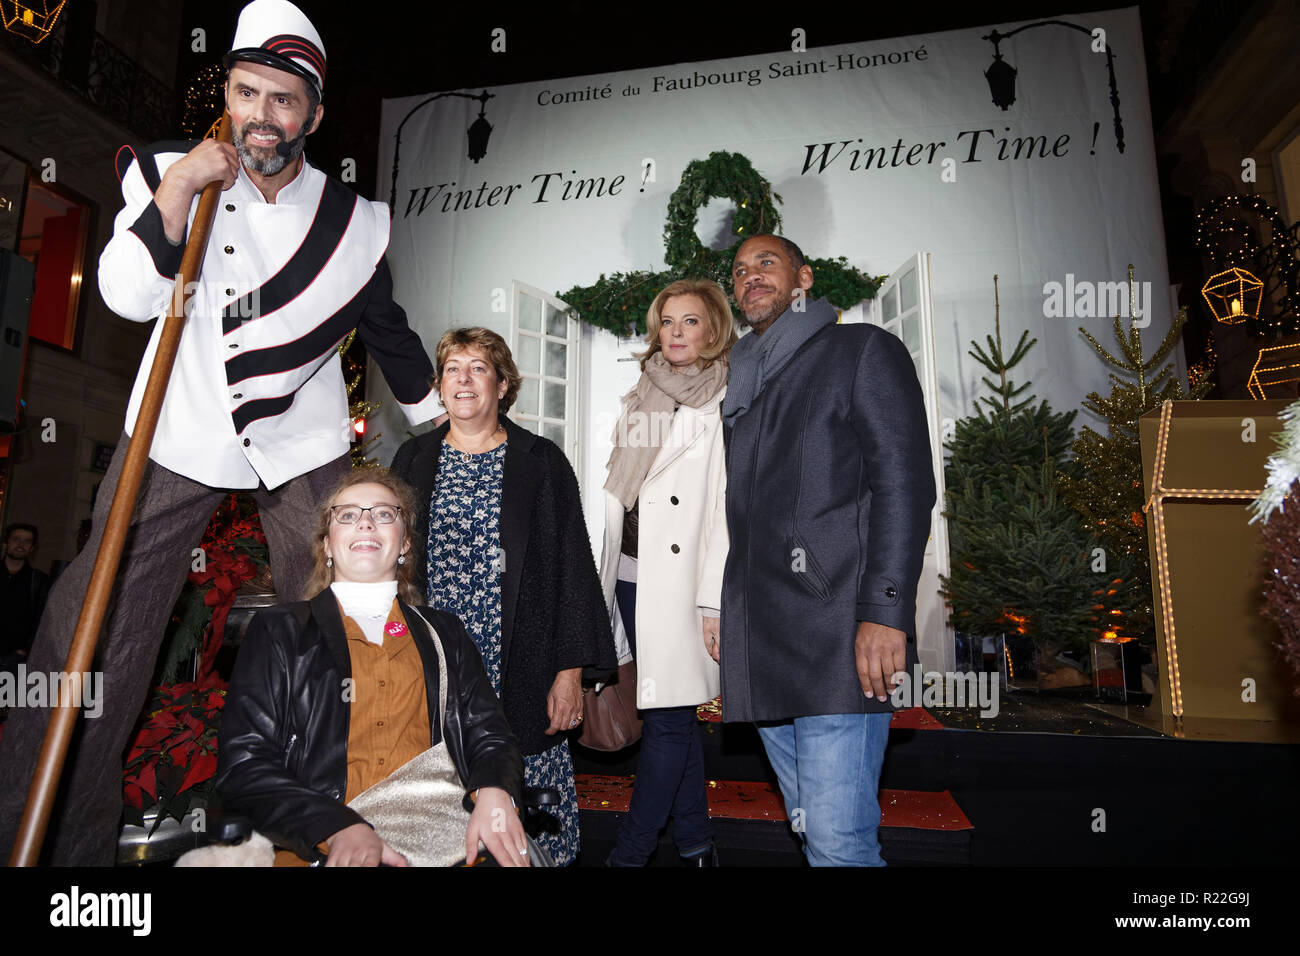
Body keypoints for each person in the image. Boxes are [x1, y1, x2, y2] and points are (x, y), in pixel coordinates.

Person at [0, 0, 442, 866]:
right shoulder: (168, 168)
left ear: (312, 115)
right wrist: (177, 188)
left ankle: (351, 835)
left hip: (302, 445)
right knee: (88, 644)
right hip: (177, 429)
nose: (262, 117)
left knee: (345, 629)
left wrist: (447, 429)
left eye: (284, 101)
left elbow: (389, 335)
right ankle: (50, 844)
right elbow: (127, 298)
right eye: (248, 92)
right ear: (229, 91)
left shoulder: (355, 222)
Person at [721, 234, 935, 866]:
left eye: (767, 263)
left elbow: (903, 484)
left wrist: (886, 611)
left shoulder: (862, 349)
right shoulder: (744, 380)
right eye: (739, 270)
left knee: (839, 844)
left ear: (804, 278)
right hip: (765, 647)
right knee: (817, 837)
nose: (751, 276)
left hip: (842, 637)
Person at [215, 467, 528, 867]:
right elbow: (244, 765)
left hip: (449, 839)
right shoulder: (279, 632)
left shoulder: (445, 633)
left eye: (384, 514)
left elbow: (490, 736)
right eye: (347, 515)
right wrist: (337, 826)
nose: (365, 520)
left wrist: (494, 792)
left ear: (405, 545)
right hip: (321, 844)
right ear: (327, 545)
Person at [391, 327, 617, 866]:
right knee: (438, 797)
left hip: (522, 659)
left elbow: (573, 569)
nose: (463, 379)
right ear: (440, 386)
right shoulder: (413, 458)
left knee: (530, 798)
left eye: (478, 368)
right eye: (452, 369)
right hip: (434, 661)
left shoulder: (540, 461)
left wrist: (570, 673)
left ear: (502, 384)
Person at [597, 279, 735, 866]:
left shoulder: (722, 401)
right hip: (627, 575)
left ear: (714, 331)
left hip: (679, 587)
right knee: (667, 711)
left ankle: (629, 855)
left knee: (669, 720)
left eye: (691, 322)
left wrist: (713, 603)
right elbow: (615, 491)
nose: (677, 333)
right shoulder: (642, 391)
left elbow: (725, 512)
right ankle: (698, 844)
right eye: (668, 321)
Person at [0, 524, 49, 678]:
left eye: (27, 541)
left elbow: (43, 619)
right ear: (5, 544)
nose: (21, 545)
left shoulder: (38, 581)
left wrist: (26, 649)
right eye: (16, 539)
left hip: (15, 659)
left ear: (32, 548)